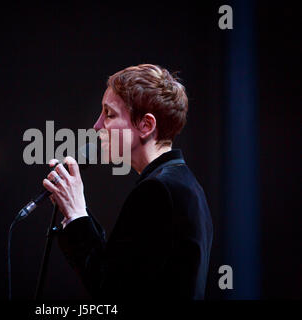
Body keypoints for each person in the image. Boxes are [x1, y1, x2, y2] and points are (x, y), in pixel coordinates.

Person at [42, 64, 213, 300]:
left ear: (146, 125)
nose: (97, 126)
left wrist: (76, 215)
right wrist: (75, 210)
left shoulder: (158, 190)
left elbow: (112, 291)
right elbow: (120, 271)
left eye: (109, 114)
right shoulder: (182, 183)